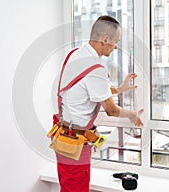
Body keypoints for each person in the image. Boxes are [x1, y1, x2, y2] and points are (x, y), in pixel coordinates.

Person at [55, 15, 144, 192]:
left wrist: (119, 89)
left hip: (63, 138)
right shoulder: (96, 68)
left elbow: (88, 89)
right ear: (105, 39)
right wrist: (131, 115)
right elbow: (111, 110)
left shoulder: (75, 55)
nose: (116, 46)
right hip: (75, 146)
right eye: (115, 41)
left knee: (68, 187)